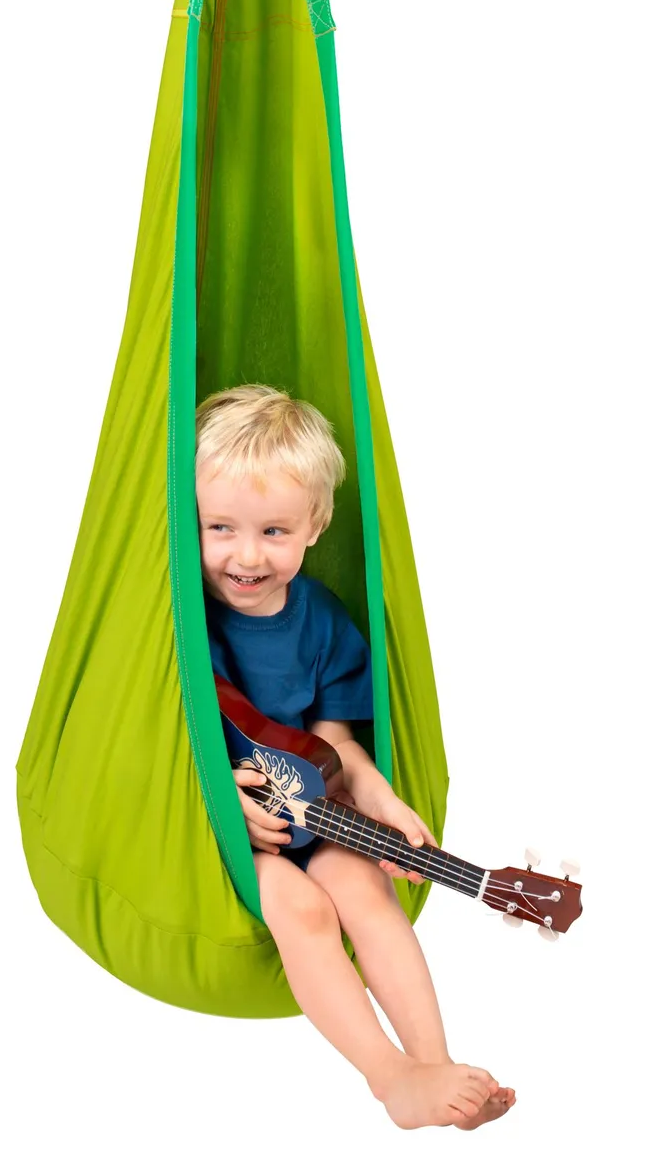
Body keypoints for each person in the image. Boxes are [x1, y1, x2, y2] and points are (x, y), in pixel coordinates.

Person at [196, 383, 515, 1132]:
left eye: (275, 530)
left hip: (312, 814)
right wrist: (219, 798)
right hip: (217, 838)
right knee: (302, 906)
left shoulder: (323, 623)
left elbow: (335, 744)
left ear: (315, 526)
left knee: (363, 885)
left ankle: (433, 1065)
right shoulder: (177, 620)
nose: (247, 555)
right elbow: (155, 744)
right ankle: (388, 1076)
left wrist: (381, 800)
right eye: (221, 528)